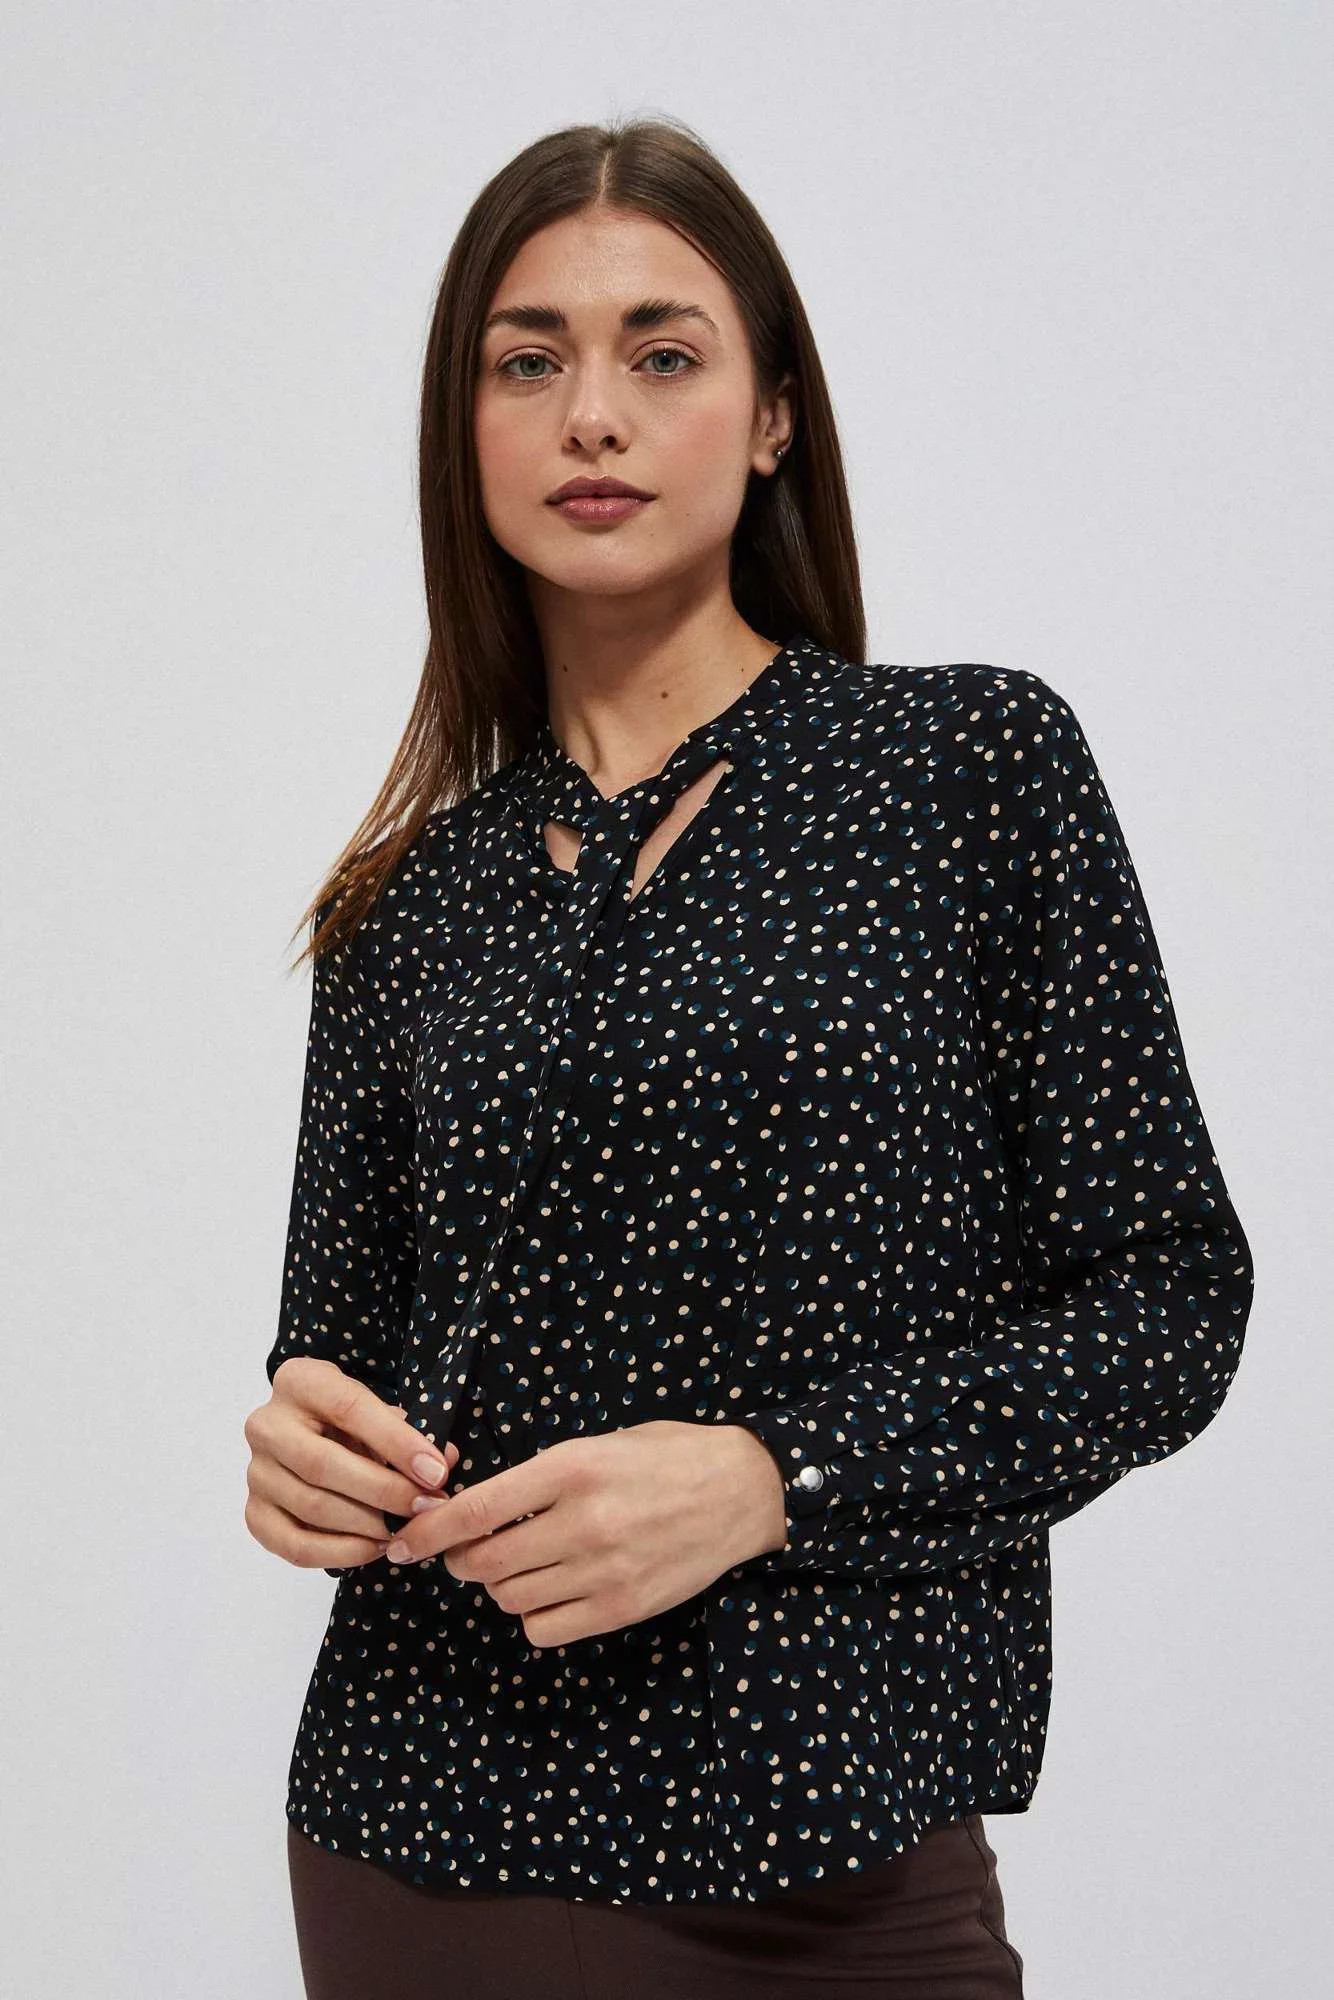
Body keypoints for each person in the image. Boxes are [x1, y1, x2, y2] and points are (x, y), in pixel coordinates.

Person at [242, 114, 1253, 2000]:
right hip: (427, 1837)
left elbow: (1169, 1304)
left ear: (773, 414)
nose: (591, 416)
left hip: (833, 1852)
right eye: (526, 362)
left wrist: (774, 1476)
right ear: (462, 430)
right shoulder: (406, 904)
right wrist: (305, 1452)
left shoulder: (967, 772)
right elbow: (339, 1356)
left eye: (662, 354)